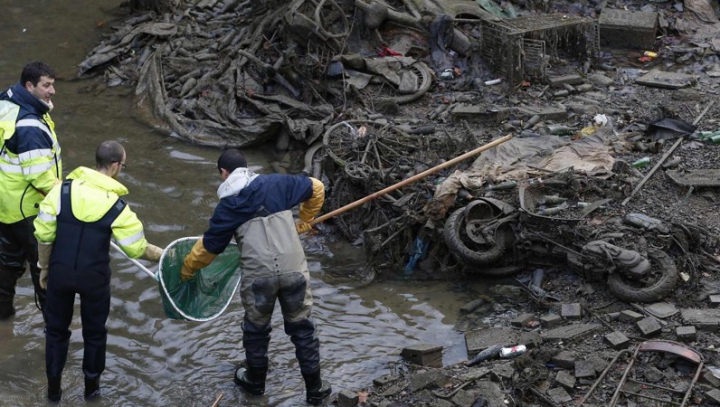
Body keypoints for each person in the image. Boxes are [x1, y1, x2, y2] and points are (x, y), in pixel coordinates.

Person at [180, 148, 332, 405]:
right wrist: (306, 220)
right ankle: (315, 390)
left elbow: (207, 249)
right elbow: (316, 187)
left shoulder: (227, 207)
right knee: (302, 328)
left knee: (256, 330)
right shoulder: (277, 183)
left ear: (223, 173)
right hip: (294, 270)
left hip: (258, 278)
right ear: (246, 167)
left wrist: (187, 270)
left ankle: (255, 385)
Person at [33, 141, 164, 403]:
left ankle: (53, 393)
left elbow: (44, 234)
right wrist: (164, 255)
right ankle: (92, 393)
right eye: (122, 166)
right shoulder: (118, 207)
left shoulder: (61, 192)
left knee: (56, 332)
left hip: (60, 273)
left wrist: (44, 269)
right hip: (95, 279)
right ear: (115, 166)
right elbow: (135, 249)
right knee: (95, 334)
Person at [0, 61, 62, 321]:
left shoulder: (7, 102)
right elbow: (41, 180)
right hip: (30, 212)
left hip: (6, 206)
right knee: (45, 270)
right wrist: (70, 198)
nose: (53, 91)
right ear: (29, 86)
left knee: (6, 267)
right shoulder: (29, 128)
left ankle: (4, 324)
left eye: (53, 85)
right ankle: (54, 328)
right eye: (46, 85)